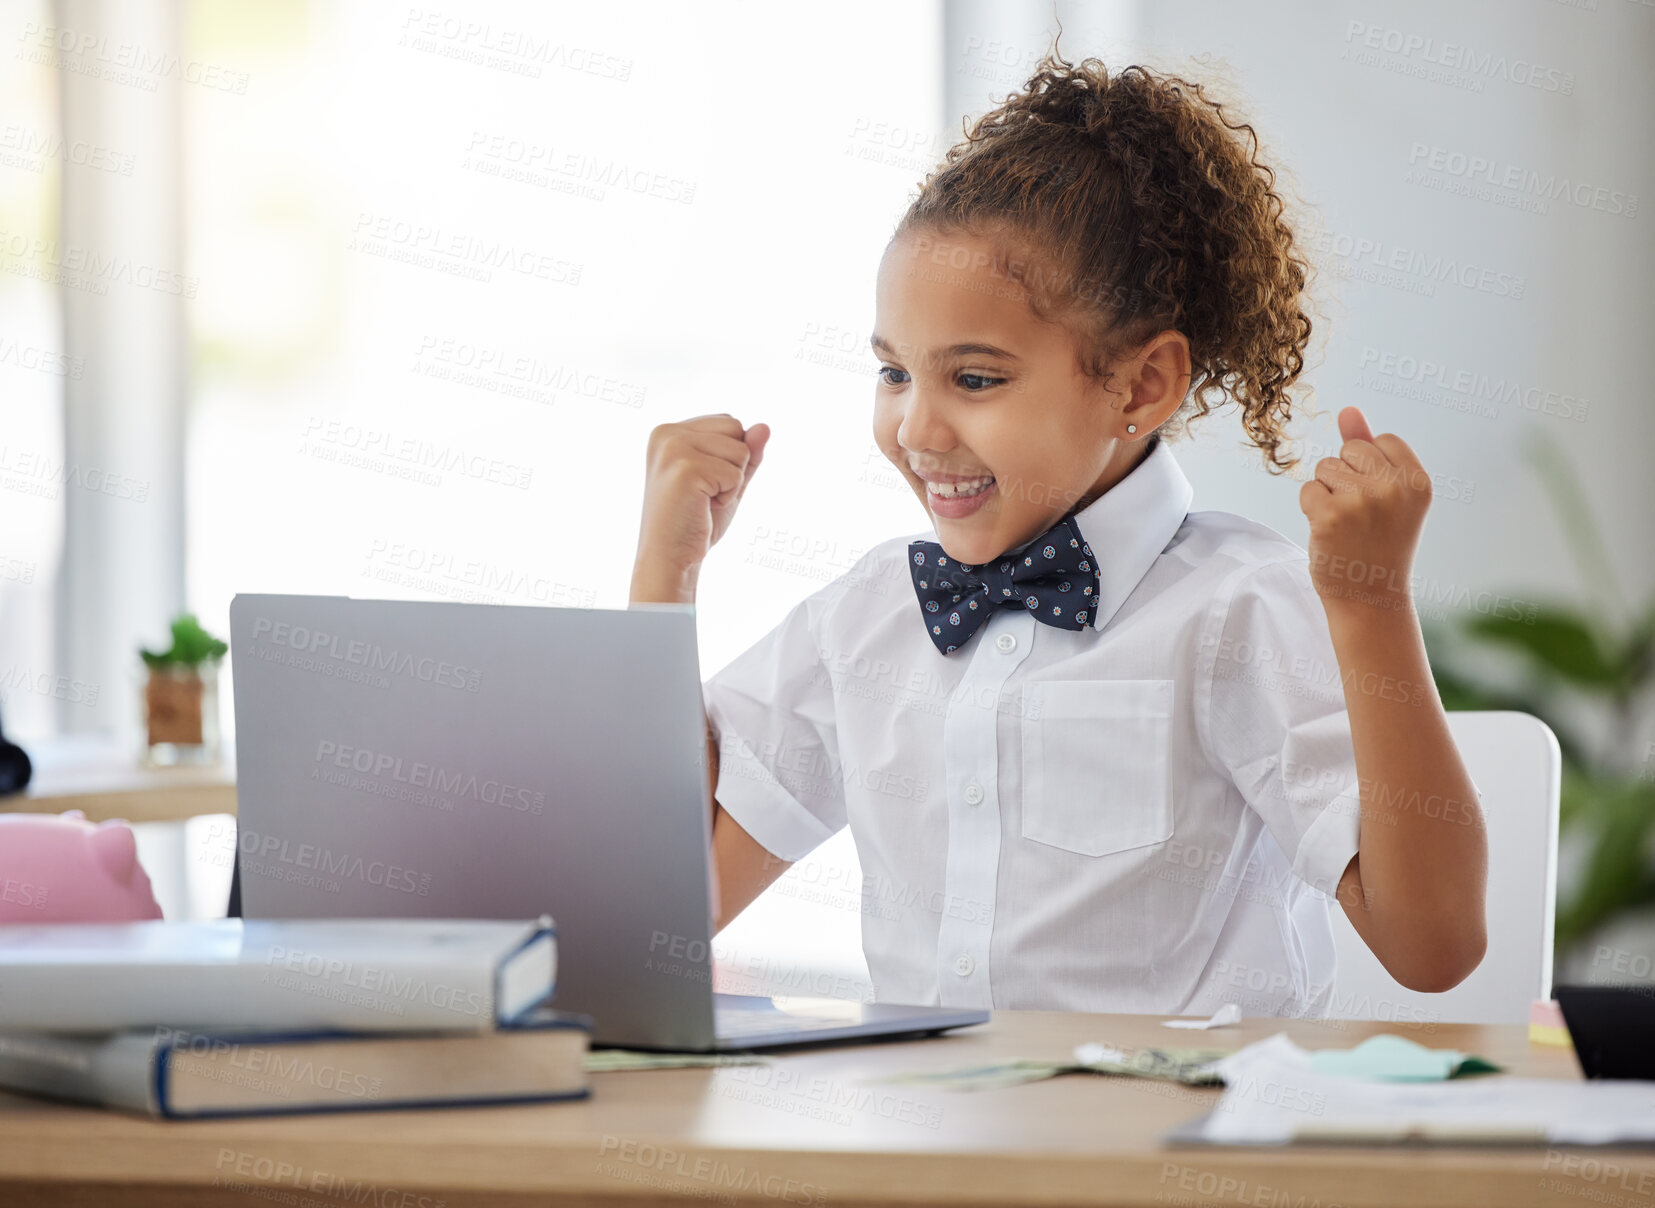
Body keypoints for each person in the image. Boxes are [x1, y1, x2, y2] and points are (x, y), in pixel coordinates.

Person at [629, 51, 1487, 1016]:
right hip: (925, 1155)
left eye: (976, 379)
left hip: (1164, 1155)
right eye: (894, 373)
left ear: (1142, 384)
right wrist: (668, 573)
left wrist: (1369, 605)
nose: (915, 430)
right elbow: (658, 908)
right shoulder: (867, 618)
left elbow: (1432, 944)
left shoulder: (1237, 607)